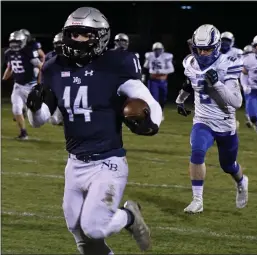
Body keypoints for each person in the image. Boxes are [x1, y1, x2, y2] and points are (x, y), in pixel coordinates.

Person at [26, 7, 162, 254]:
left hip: (107, 162)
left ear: (100, 37)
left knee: (95, 228)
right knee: (79, 233)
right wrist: (34, 108)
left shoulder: (116, 63)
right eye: (73, 34)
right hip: (75, 163)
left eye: (84, 34)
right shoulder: (54, 66)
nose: (77, 40)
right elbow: (39, 120)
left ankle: (130, 216)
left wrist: (152, 121)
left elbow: (147, 99)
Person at [176, 24, 248, 214]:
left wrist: (216, 83)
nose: (203, 53)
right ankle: (197, 200)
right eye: (200, 49)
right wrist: (180, 100)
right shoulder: (190, 63)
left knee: (228, 166)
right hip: (203, 120)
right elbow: (189, 82)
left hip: (225, 123)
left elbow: (236, 102)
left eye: (208, 49)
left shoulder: (229, 63)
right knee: (197, 152)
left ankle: (241, 182)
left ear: (216, 47)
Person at [2, 30, 43, 140]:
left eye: (17, 41)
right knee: (16, 109)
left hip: (30, 86)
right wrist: (4, 78)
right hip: (18, 86)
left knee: (37, 115)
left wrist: (39, 84)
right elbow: (10, 67)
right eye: (13, 41)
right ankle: (23, 133)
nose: (14, 44)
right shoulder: (8, 53)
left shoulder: (29, 52)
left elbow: (41, 67)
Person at [143, 42, 174, 121]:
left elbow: (171, 69)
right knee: (154, 98)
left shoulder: (166, 57)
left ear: (162, 50)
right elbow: (145, 66)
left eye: (159, 49)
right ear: (153, 50)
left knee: (163, 98)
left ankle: (161, 111)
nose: (157, 51)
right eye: (156, 50)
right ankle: (154, 114)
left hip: (163, 80)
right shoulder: (150, 56)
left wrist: (161, 71)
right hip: (153, 80)